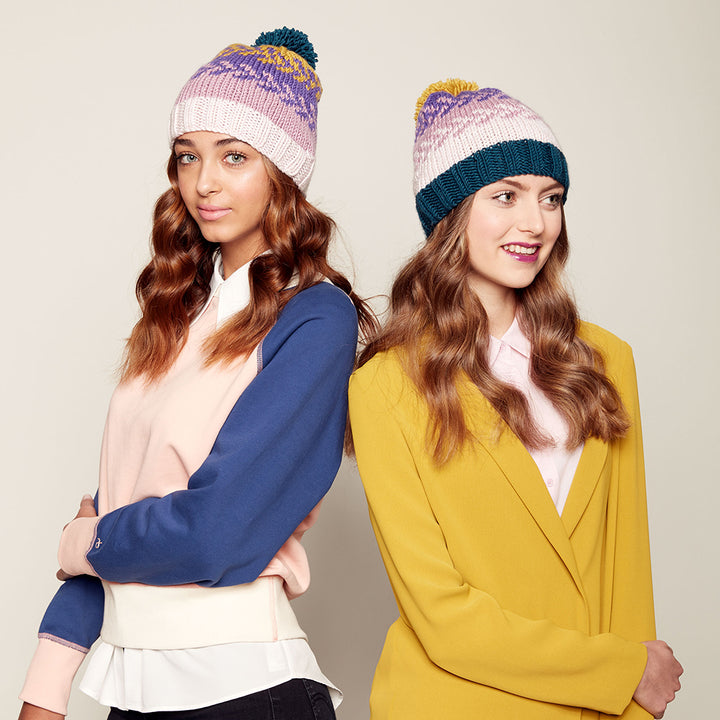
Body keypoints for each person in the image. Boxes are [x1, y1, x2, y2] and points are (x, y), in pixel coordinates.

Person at [19, 27, 374, 720]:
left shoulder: (315, 318)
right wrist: (45, 689)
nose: (203, 182)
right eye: (188, 156)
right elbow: (117, 506)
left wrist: (85, 542)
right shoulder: (175, 319)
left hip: (246, 690)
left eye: (234, 156)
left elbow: (216, 532)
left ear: (282, 173)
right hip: (134, 695)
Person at [348, 80, 683, 719]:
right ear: (450, 216)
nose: (535, 223)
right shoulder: (385, 386)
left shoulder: (607, 361)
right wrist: (620, 671)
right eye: (505, 196)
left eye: (551, 198)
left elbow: (627, 571)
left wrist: (634, 698)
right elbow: (442, 615)